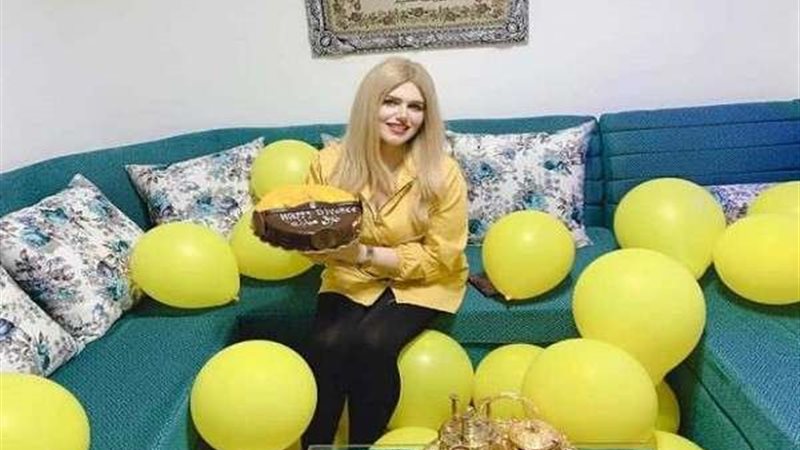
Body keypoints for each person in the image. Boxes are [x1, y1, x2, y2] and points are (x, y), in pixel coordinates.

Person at [300, 57, 469, 447]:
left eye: (415, 106)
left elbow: (438, 256)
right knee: (327, 345)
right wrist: (308, 240)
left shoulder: (443, 172)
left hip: (424, 281)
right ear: (369, 104)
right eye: (391, 101)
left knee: (372, 343)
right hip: (350, 277)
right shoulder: (327, 164)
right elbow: (313, 248)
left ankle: (365, 443)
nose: (402, 115)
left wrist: (362, 254)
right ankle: (316, 444)